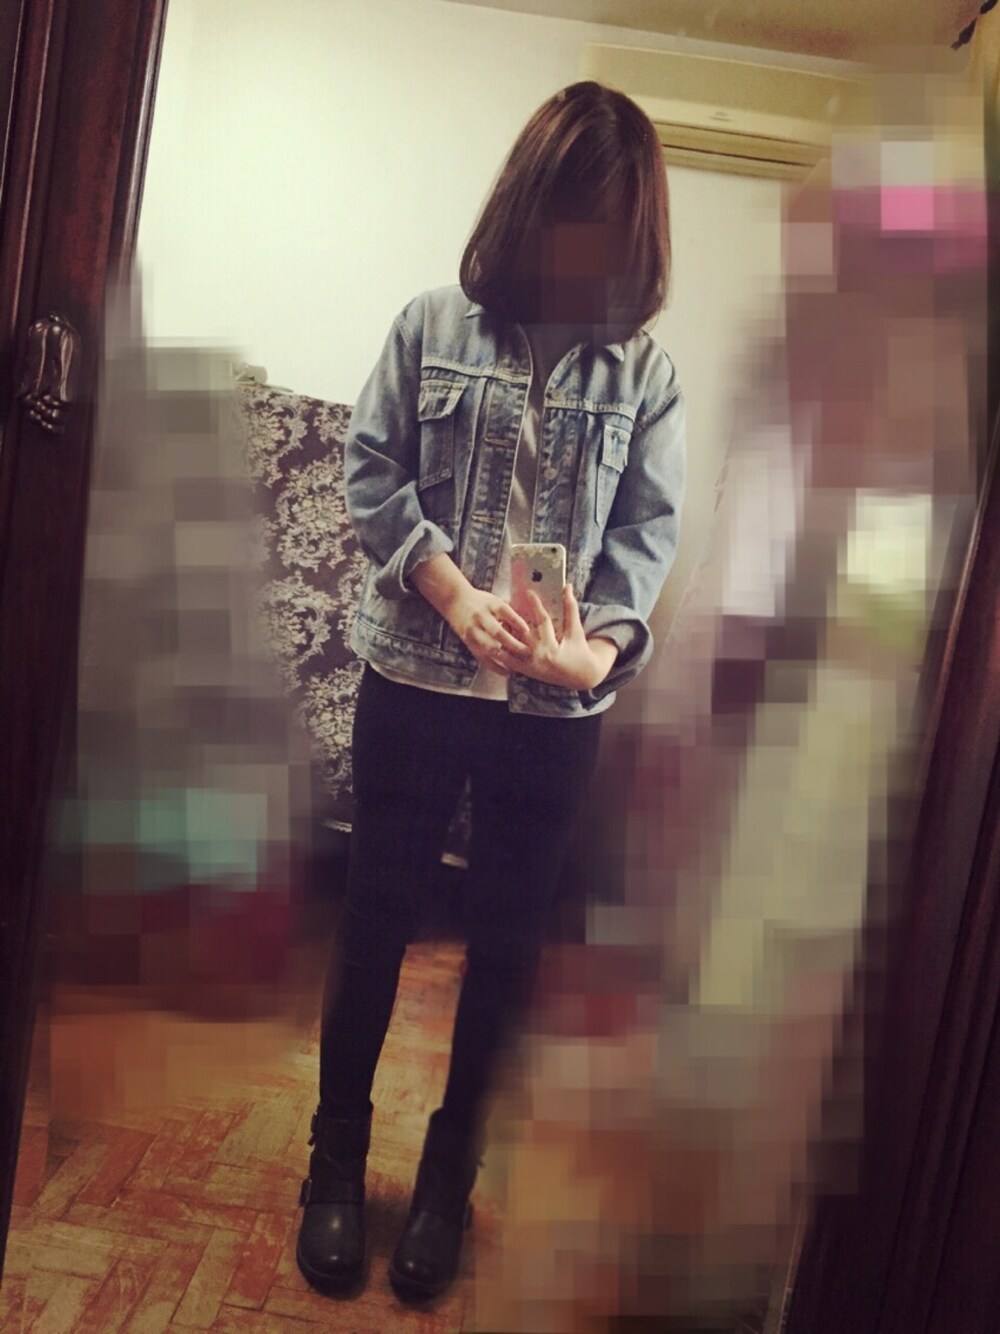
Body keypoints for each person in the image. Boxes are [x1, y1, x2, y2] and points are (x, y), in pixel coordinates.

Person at [295, 79, 686, 1304]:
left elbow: (646, 539)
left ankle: (446, 1183)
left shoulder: (649, 377)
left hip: (554, 718)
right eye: (563, 220)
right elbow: (370, 471)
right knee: (374, 920)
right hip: (415, 674)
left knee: (509, 947)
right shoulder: (429, 325)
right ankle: (334, 1163)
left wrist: (598, 656)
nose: (577, 255)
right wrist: (453, 593)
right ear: (524, 207)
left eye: (603, 232)